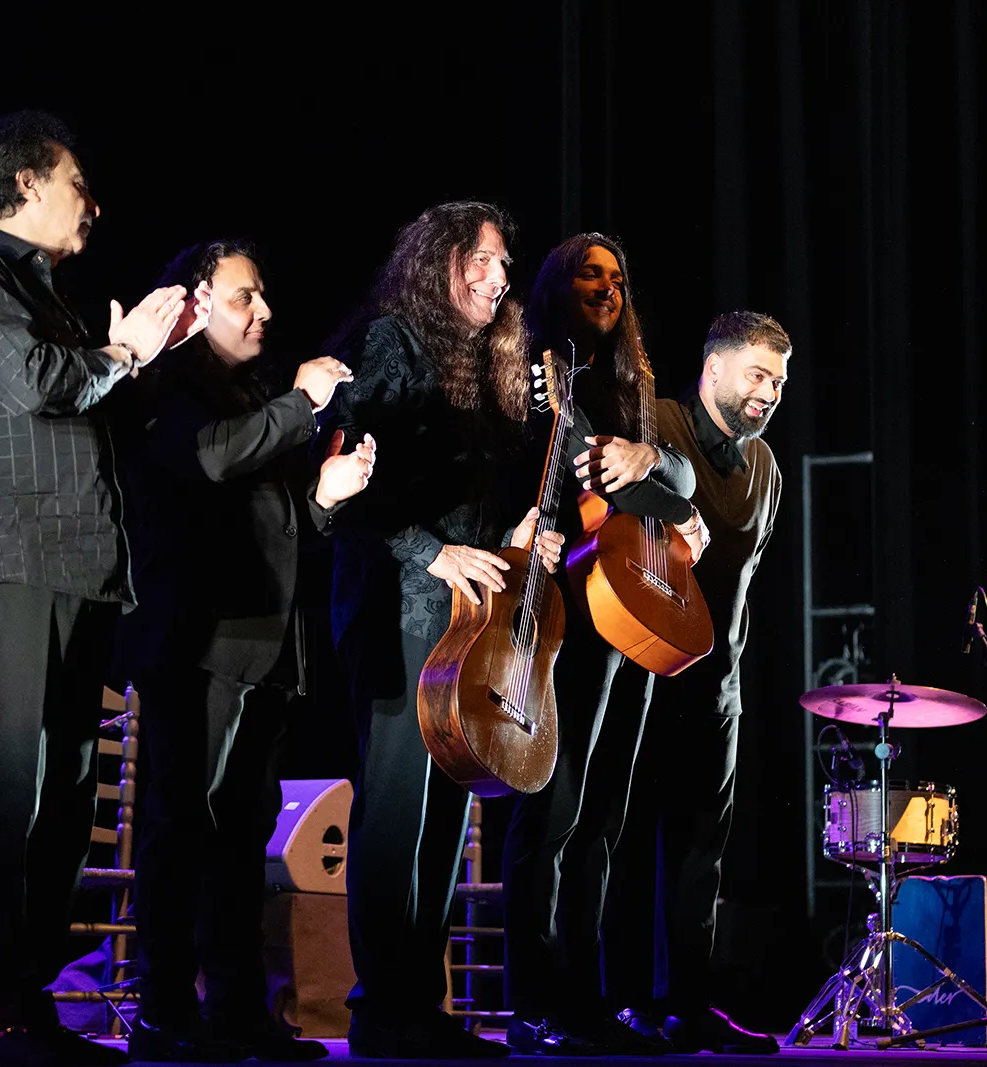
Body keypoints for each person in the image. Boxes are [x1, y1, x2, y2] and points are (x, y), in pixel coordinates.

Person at [0, 110, 208, 1067]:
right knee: (11, 781)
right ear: (28, 184)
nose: (92, 203)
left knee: (70, 789)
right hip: (11, 557)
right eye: (77, 183)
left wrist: (151, 352)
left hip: (80, 562)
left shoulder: (55, 296)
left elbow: (97, 409)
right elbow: (37, 381)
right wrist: (122, 356)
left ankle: (23, 1000)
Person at [114, 239, 377, 1062]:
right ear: (192, 305)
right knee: (181, 825)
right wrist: (303, 403)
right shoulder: (168, 384)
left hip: (269, 646)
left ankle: (236, 1010)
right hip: (200, 643)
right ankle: (163, 1008)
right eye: (243, 297)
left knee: (240, 836)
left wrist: (324, 500)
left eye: (261, 296)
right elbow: (210, 459)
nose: (262, 311)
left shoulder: (251, 391)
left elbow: (273, 517)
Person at [324, 201, 563, 1059]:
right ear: (443, 260)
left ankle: (415, 1006)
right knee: (397, 815)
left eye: (505, 266)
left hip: (458, 614)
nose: (501, 280)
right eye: (487, 261)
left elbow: (469, 506)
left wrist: (512, 539)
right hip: (396, 603)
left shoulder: (478, 367)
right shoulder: (391, 339)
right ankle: (383, 1009)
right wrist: (436, 552)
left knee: (443, 817)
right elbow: (350, 485)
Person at [501, 233, 704, 1056]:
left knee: (605, 817)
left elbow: (674, 482)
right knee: (552, 813)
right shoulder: (537, 372)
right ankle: (534, 1002)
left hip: (627, 614)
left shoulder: (634, 384)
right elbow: (578, 477)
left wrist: (655, 463)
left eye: (617, 277)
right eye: (590, 275)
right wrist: (644, 478)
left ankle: (584, 996)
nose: (606, 288)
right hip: (558, 610)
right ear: (558, 284)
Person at [600, 310, 789, 1054]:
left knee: (700, 852)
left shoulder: (767, 466)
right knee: (626, 840)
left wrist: (730, 671)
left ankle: (689, 1002)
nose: (768, 391)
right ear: (714, 370)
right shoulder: (661, 423)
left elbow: (743, 579)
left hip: (718, 685)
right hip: (643, 669)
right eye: (756, 374)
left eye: (777, 380)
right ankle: (622, 1003)